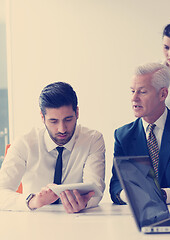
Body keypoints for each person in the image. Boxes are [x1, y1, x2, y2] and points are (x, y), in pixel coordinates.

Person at [109, 63, 170, 205]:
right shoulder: (123, 136)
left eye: (142, 92)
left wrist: (161, 195)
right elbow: (116, 187)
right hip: (138, 216)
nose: (134, 98)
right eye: (132, 91)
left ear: (163, 94)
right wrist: (131, 196)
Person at [0, 82, 105, 213]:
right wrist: (34, 201)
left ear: (77, 113)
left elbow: (96, 189)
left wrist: (84, 202)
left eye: (68, 119)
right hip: (34, 223)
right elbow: (1, 192)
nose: (62, 129)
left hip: (78, 221)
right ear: (42, 117)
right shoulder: (24, 143)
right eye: (53, 121)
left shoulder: (92, 140)